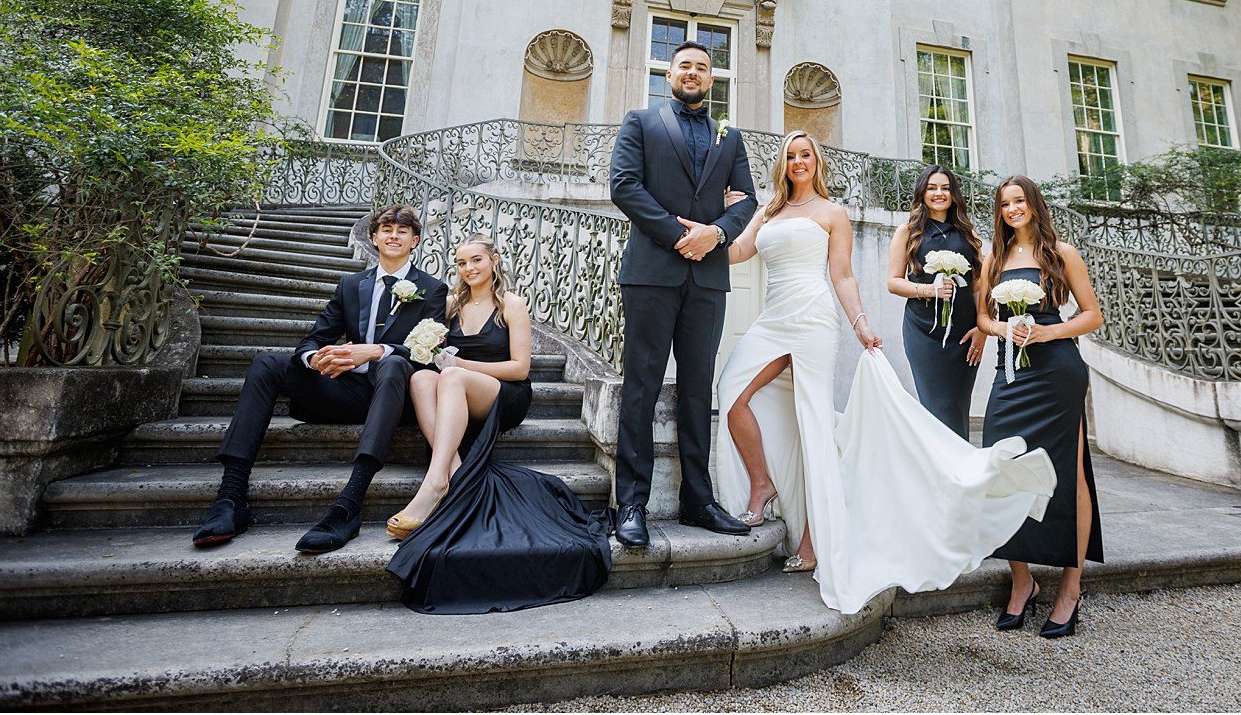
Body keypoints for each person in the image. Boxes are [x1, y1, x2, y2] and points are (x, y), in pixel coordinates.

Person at [714, 132, 1056, 614]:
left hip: (813, 320)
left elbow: (843, 275)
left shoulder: (831, 213)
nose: (798, 162)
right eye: (791, 155)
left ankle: (814, 540)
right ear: (782, 164)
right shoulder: (767, 212)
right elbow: (735, 253)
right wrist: (724, 214)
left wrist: (861, 324)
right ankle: (762, 483)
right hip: (772, 320)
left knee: (813, 424)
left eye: (806, 154)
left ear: (817, 162)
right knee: (732, 392)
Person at [191, 204, 447, 554]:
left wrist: (374, 351)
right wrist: (317, 359)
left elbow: (429, 355)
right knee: (268, 363)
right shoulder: (351, 285)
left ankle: (349, 505)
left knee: (393, 365)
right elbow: (313, 339)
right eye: (386, 229)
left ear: (414, 240)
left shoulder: (432, 289)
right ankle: (230, 499)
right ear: (373, 237)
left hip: (395, 397)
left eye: (402, 231)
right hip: (349, 393)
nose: (393, 235)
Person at [384, 234, 611, 613]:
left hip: (506, 395)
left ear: (494, 260)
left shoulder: (511, 304)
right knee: (421, 378)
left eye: (476, 260)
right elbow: (431, 356)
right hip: (460, 394)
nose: (469, 269)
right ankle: (455, 472)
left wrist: (459, 366)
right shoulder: (451, 304)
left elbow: (520, 368)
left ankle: (436, 483)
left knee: (450, 377)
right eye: (461, 263)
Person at [607, 40, 760, 547]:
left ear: (712, 79)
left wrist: (715, 234)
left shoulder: (729, 137)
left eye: (702, 67)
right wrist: (680, 234)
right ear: (668, 74)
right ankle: (631, 504)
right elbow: (625, 186)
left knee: (698, 390)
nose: (692, 72)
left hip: (708, 278)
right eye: (684, 66)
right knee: (642, 386)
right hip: (651, 273)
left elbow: (748, 201)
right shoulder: (641, 123)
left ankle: (698, 500)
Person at [977, 175, 1104, 638]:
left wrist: (1048, 331)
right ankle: (1022, 581)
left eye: (1019, 201)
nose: (1012, 209)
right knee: (1002, 471)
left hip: (1056, 372)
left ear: (1034, 205)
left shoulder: (1062, 254)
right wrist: (1002, 330)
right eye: (1005, 204)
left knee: (1068, 476)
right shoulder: (993, 258)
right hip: (1011, 372)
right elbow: (982, 318)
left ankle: (1071, 588)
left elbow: (1092, 314)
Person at [886, 167, 986, 438]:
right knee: (937, 406)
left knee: (957, 405)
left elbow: (977, 286)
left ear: (953, 194)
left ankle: (960, 469)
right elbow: (894, 282)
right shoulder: (907, 232)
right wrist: (930, 290)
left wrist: (982, 329)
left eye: (945, 188)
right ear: (922, 192)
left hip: (964, 334)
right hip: (924, 332)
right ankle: (940, 473)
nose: (939, 193)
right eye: (932, 188)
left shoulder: (967, 233)